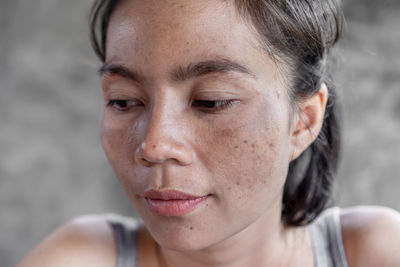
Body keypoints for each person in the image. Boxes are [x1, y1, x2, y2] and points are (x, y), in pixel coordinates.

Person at [18, 0, 400, 266]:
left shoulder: (373, 251)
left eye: (212, 102)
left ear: (303, 121)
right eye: (123, 101)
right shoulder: (82, 256)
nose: (154, 145)